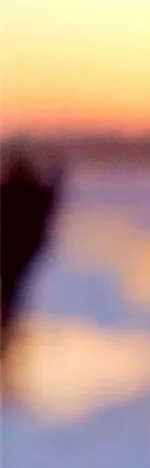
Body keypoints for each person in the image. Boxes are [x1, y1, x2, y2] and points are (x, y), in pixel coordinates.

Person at [0, 149, 63, 358]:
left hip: (14, 253)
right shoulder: (28, 193)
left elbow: (48, 203)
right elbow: (48, 203)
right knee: (12, 291)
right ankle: (8, 324)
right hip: (18, 253)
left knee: (11, 291)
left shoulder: (14, 192)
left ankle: (7, 324)